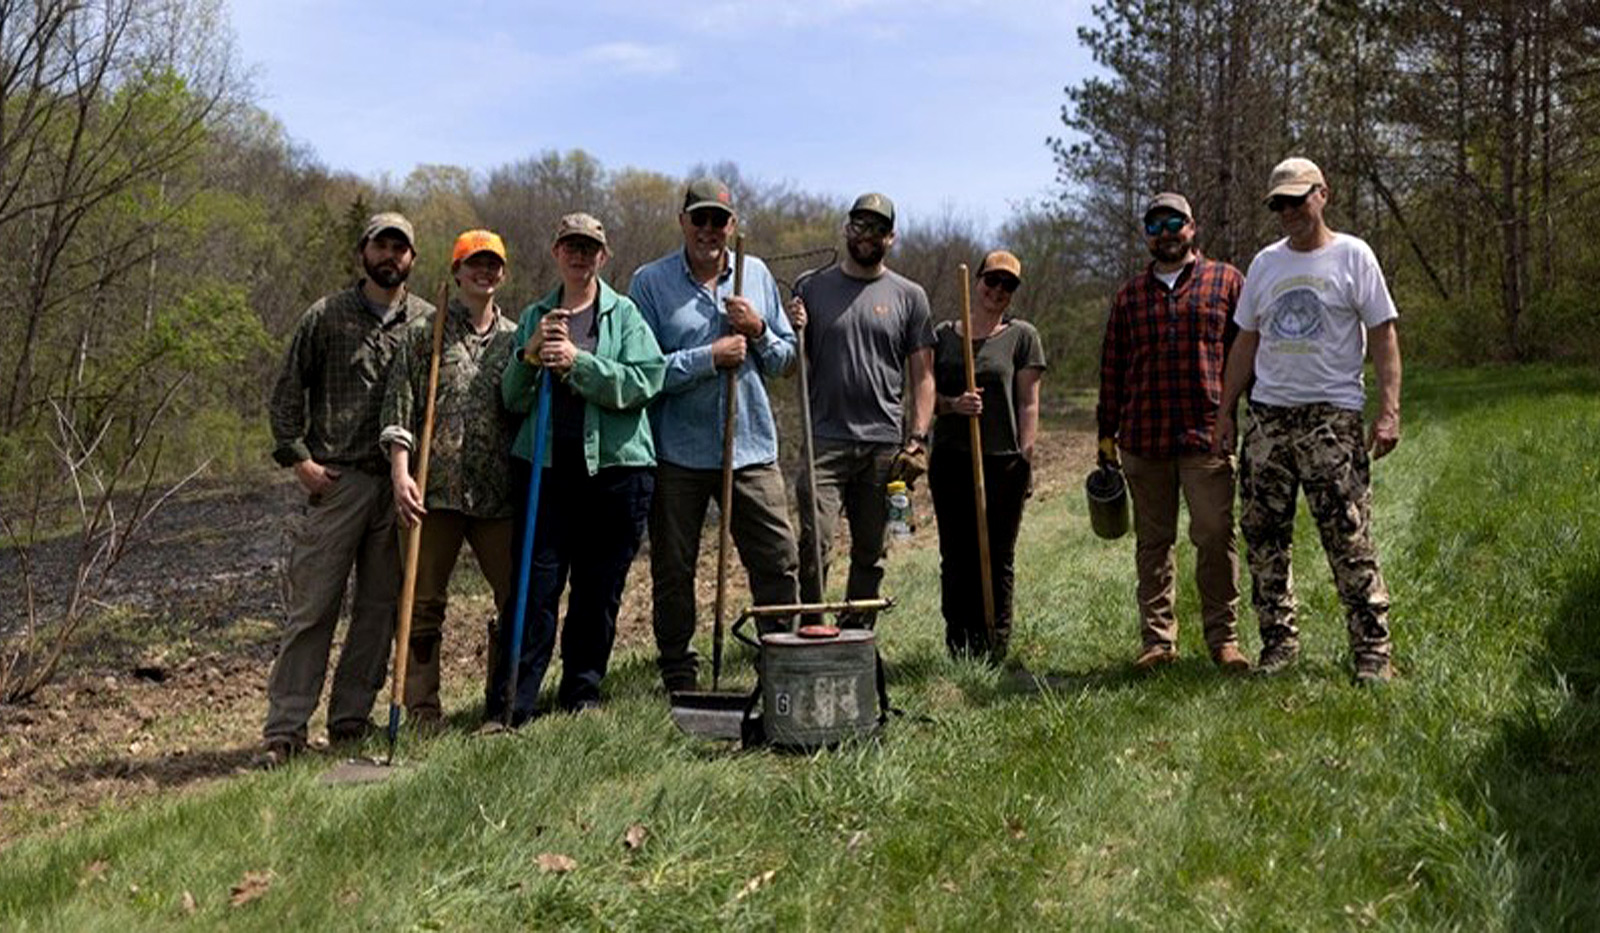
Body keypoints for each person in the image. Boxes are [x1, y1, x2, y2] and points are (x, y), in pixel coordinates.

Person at [1215, 157, 1402, 684]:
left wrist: (1388, 411)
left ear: (1323, 194)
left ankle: (1371, 652)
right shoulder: (1266, 265)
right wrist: (1226, 410)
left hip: (1332, 418)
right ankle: (1279, 644)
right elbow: (1246, 340)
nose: (1289, 211)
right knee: (1263, 536)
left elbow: (1384, 335)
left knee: (1348, 535)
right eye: (1280, 203)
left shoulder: (1353, 256)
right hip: (1269, 419)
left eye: (1298, 199)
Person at [262, 212, 434, 759]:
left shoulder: (428, 322)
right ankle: (286, 728)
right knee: (313, 608)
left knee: (379, 611)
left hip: (397, 485)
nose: (391, 257)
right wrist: (300, 462)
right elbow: (287, 393)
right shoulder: (327, 316)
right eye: (382, 246)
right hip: (337, 480)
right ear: (364, 251)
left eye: (401, 249)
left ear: (412, 259)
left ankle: (350, 721)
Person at [492, 213, 665, 723]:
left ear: (603, 257)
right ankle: (513, 705)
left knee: (597, 590)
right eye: (571, 245)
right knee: (536, 588)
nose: (580, 255)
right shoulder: (535, 315)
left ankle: (581, 695)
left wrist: (578, 364)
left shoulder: (626, 317)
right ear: (556, 252)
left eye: (589, 248)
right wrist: (527, 358)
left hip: (615, 472)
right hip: (546, 471)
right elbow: (510, 398)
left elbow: (645, 382)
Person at [630, 178, 800, 694]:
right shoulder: (651, 282)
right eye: (699, 218)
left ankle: (782, 656)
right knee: (674, 567)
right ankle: (679, 669)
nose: (709, 229)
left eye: (718, 220)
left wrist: (758, 330)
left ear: (732, 225)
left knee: (778, 556)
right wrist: (708, 359)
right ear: (682, 221)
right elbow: (643, 370)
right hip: (678, 452)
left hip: (749, 447)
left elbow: (786, 361)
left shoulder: (757, 275)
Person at [1097, 193, 1250, 675]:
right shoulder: (1128, 296)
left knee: (1215, 535)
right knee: (1153, 544)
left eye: (1174, 222)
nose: (1165, 231)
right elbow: (1112, 370)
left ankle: (1224, 639)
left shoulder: (1227, 282)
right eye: (1155, 224)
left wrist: (1246, 417)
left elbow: (1247, 357)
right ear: (1147, 234)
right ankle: (1158, 641)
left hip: (1206, 433)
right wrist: (1106, 437)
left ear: (1192, 227)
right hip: (1143, 440)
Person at [379, 229, 519, 727]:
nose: (484, 272)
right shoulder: (426, 334)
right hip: (432, 492)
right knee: (422, 604)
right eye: (473, 264)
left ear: (502, 273)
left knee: (515, 598)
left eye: (492, 264)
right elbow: (400, 408)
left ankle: (501, 701)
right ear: (456, 271)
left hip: (497, 495)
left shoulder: (515, 339)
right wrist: (400, 474)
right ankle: (421, 709)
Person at [786, 192, 936, 628]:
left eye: (876, 228)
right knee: (814, 545)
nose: (866, 234)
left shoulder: (910, 296)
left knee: (871, 552)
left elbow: (923, 376)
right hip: (824, 442)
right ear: (846, 228)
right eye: (859, 224)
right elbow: (791, 364)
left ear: (891, 237)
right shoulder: (810, 288)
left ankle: (855, 636)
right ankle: (813, 628)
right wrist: (791, 329)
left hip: (883, 447)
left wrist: (917, 437)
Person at [928, 250, 1045, 661]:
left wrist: (1026, 458)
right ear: (977, 281)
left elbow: (1029, 403)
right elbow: (925, 397)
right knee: (956, 553)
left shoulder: (1022, 336)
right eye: (991, 281)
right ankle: (958, 641)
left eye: (1007, 285)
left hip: (1003, 460)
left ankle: (994, 642)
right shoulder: (943, 334)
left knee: (997, 554)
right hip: (951, 458)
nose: (997, 291)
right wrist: (952, 404)